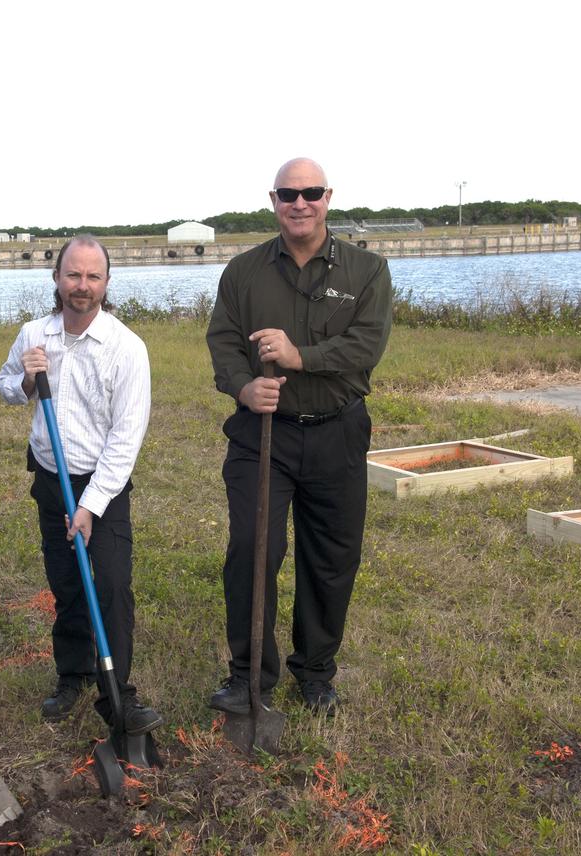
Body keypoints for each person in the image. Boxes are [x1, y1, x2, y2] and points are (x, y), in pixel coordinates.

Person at [205, 157, 393, 716]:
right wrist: (243, 389)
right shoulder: (243, 272)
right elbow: (223, 343)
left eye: (310, 192)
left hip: (337, 432)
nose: (299, 203)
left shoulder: (367, 271)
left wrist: (298, 357)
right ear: (274, 201)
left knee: (332, 556)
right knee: (252, 551)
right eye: (288, 194)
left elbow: (365, 349)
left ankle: (315, 673)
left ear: (328, 197)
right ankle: (248, 676)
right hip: (262, 436)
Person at [0, 235, 162, 735]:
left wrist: (89, 506)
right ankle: (73, 673)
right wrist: (26, 378)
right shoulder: (33, 335)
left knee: (109, 584)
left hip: (103, 485)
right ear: (56, 279)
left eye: (92, 276)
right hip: (51, 478)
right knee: (67, 583)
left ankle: (118, 694)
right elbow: (6, 390)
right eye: (73, 275)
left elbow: (126, 438)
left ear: (106, 284)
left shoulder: (126, 348)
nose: (82, 285)